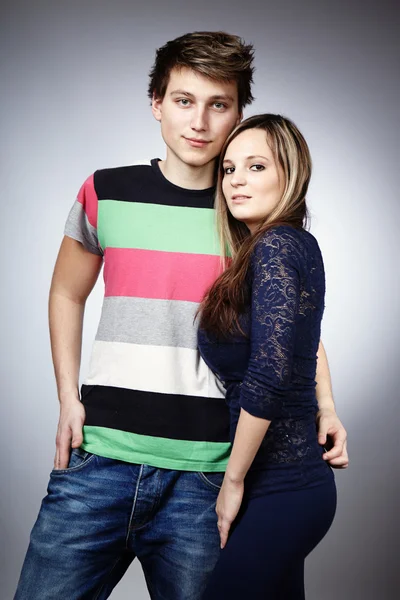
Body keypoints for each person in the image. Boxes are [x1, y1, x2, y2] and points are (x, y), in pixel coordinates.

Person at [14, 33, 347, 600]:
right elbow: (67, 293)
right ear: (156, 103)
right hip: (99, 461)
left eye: (219, 104)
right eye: (183, 100)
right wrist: (68, 397)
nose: (199, 122)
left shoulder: (245, 208)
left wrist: (325, 404)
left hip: (206, 473)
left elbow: (285, 330)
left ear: (239, 112)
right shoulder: (105, 190)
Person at [198, 113, 342, 599]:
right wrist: (328, 408)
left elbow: (269, 372)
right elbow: (304, 340)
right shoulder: (282, 245)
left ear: (290, 173)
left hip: (281, 485)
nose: (237, 180)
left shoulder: (277, 245)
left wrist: (232, 481)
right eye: (230, 169)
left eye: (256, 167)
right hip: (290, 482)